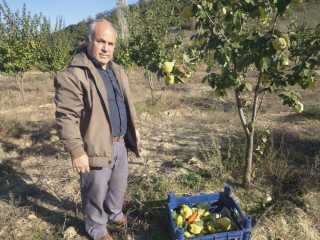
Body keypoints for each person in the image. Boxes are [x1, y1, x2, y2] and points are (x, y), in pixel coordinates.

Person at [54, 19, 140, 240]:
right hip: (95, 145)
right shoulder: (74, 75)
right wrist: (76, 150)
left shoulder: (116, 70)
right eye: (101, 41)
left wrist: (133, 128)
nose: (105, 48)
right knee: (95, 191)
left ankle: (114, 213)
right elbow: (66, 116)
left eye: (110, 44)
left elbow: (125, 102)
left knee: (118, 185)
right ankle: (97, 228)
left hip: (120, 142)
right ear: (88, 40)